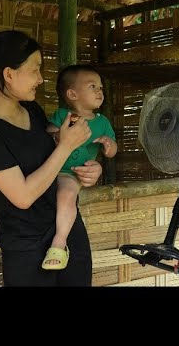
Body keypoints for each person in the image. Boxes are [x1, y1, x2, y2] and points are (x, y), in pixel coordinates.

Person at [0, 28, 103, 287]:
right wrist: (65, 147)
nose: (41, 79)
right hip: (26, 247)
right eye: (35, 69)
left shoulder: (32, 110)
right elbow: (23, 197)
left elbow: (55, 162)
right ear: (8, 74)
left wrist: (88, 169)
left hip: (67, 234)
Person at [43, 65, 117, 270]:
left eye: (100, 87)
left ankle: (59, 242)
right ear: (72, 94)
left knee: (67, 194)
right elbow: (47, 136)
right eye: (92, 86)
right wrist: (58, 135)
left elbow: (112, 150)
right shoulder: (62, 115)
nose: (100, 91)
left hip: (73, 172)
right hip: (51, 168)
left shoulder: (102, 123)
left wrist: (109, 146)